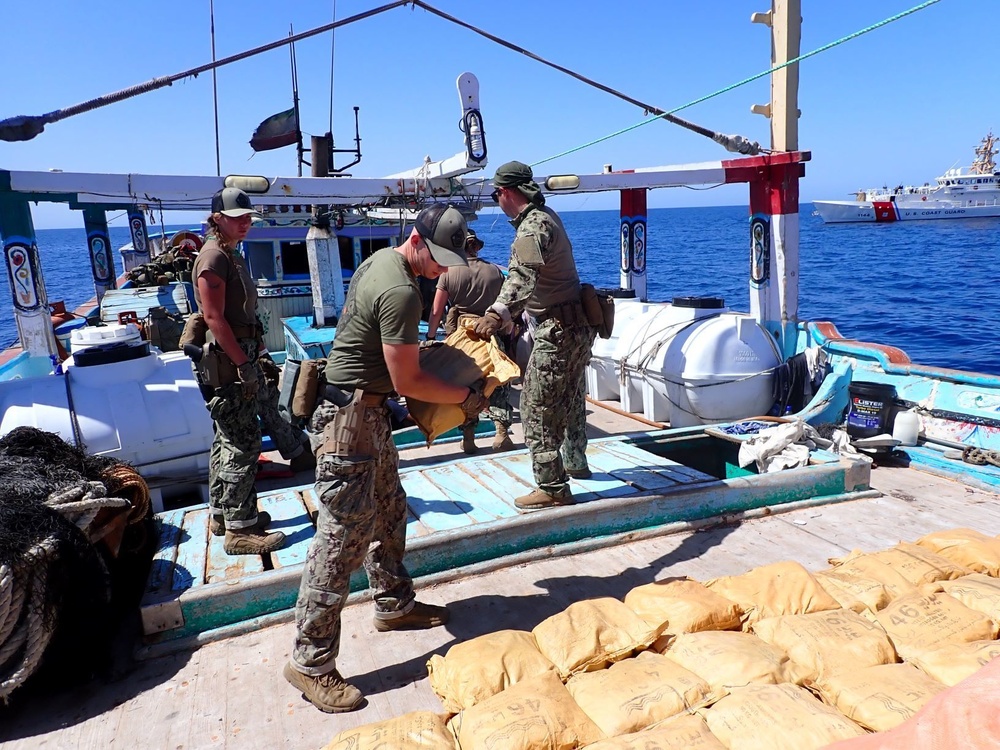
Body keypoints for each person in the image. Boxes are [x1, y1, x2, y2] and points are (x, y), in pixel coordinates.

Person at [285, 203, 489, 713]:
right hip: (348, 419)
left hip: (368, 413)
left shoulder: (380, 260)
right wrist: (464, 402)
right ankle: (309, 662)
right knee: (341, 538)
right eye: (439, 260)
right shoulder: (401, 290)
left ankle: (393, 603)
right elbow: (408, 381)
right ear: (416, 241)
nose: (443, 270)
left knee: (391, 507)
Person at [471, 161, 597, 510]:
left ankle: (552, 488)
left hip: (556, 331)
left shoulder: (532, 228)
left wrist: (495, 315)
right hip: (576, 327)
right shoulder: (549, 216)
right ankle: (575, 461)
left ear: (507, 193)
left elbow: (522, 279)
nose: (496, 200)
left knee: (535, 407)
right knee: (571, 398)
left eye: (496, 194)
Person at [193, 188, 286, 555]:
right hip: (230, 361)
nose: (245, 223)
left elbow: (240, 313)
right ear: (217, 218)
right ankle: (240, 529)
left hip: (240, 353)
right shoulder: (214, 257)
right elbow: (214, 318)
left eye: (248, 217)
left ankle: (223, 514)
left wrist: (257, 350)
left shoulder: (229, 254)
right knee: (243, 441)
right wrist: (243, 364)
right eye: (238, 217)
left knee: (226, 437)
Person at [426, 228, 515, 454]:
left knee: (466, 385)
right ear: (476, 246)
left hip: (463, 338)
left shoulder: (449, 273)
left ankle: (468, 437)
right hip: (490, 335)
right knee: (497, 383)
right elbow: (505, 307)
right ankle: (501, 434)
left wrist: (430, 337)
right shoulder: (494, 272)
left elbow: (437, 310)